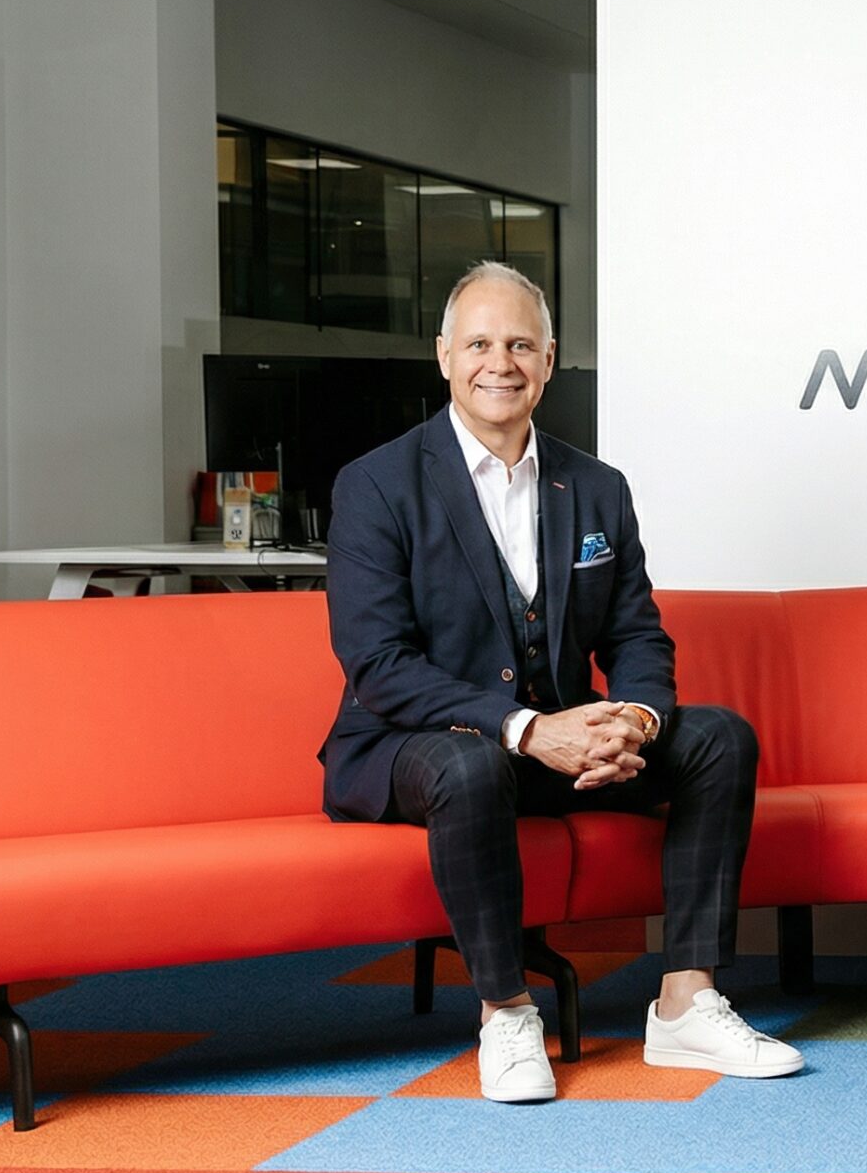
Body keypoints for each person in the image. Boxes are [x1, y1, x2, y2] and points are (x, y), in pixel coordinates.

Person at [321, 262, 803, 1103]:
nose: (499, 362)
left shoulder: (597, 487)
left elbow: (636, 633)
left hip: (559, 745)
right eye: (479, 343)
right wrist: (530, 729)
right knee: (470, 763)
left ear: (549, 359)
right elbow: (380, 665)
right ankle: (506, 1012)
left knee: (718, 738)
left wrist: (635, 721)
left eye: (520, 344)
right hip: (415, 747)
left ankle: (686, 1002)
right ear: (444, 355)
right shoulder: (376, 484)